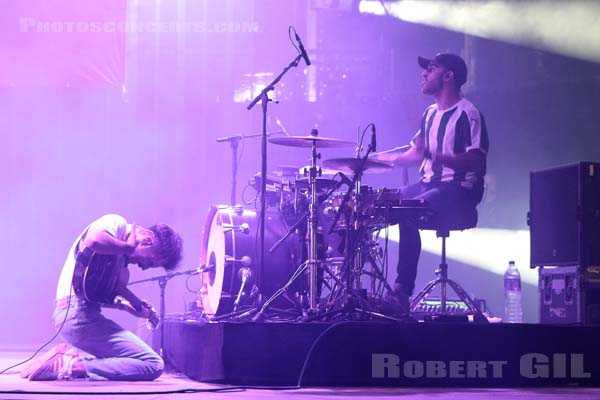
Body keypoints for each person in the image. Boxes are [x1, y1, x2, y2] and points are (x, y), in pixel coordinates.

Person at [372, 53, 489, 313]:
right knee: (377, 204)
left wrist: (432, 155)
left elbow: (476, 162)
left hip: (459, 193)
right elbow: (416, 153)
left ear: (448, 76)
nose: (423, 74)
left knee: (407, 209)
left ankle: (402, 292)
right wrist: (375, 160)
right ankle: (362, 290)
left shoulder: (467, 114)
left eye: (431, 69)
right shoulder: (429, 114)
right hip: (429, 188)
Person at [22, 214, 183, 381]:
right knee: (153, 363)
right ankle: (71, 365)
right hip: (79, 318)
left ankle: (61, 361)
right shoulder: (116, 222)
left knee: (134, 359)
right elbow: (93, 240)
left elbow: (91, 293)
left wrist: (127, 306)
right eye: (150, 262)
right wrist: (127, 248)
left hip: (70, 316)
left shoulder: (118, 261)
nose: (144, 268)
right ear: (147, 240)